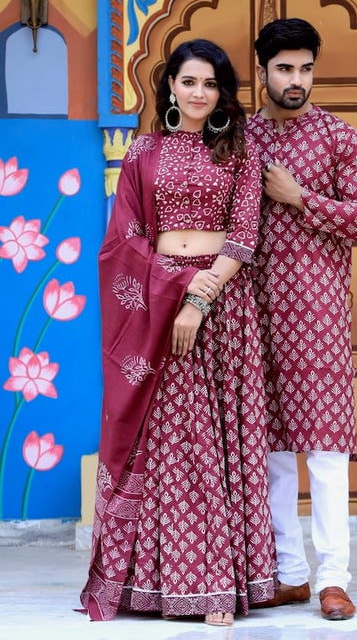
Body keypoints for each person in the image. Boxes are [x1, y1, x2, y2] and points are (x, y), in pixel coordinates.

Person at [80, 39, 276, 625]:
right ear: (170, 86)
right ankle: (167, 584)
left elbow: (245, 233)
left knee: (218, 443)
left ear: (222, 94)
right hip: (160, 306)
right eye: (189, 82)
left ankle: (218, 585)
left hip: (221, 309)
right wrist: (170, 289)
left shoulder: (238, 150)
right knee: (175, 446)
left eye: (211, 84)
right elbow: (124, 239)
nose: (199, 93)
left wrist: (199, 296)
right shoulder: (144, 151)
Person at [247, 18, 357, 621]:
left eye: (305, 68)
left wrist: (299, 198)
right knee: (271, 452)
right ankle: (289, 572)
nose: (296, 80)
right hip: (251, 312)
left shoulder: (338, 138)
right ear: (263, 72)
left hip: (319, 314)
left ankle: (333, 577)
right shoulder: (242, 138)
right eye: (284, 69)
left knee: (324, 454)